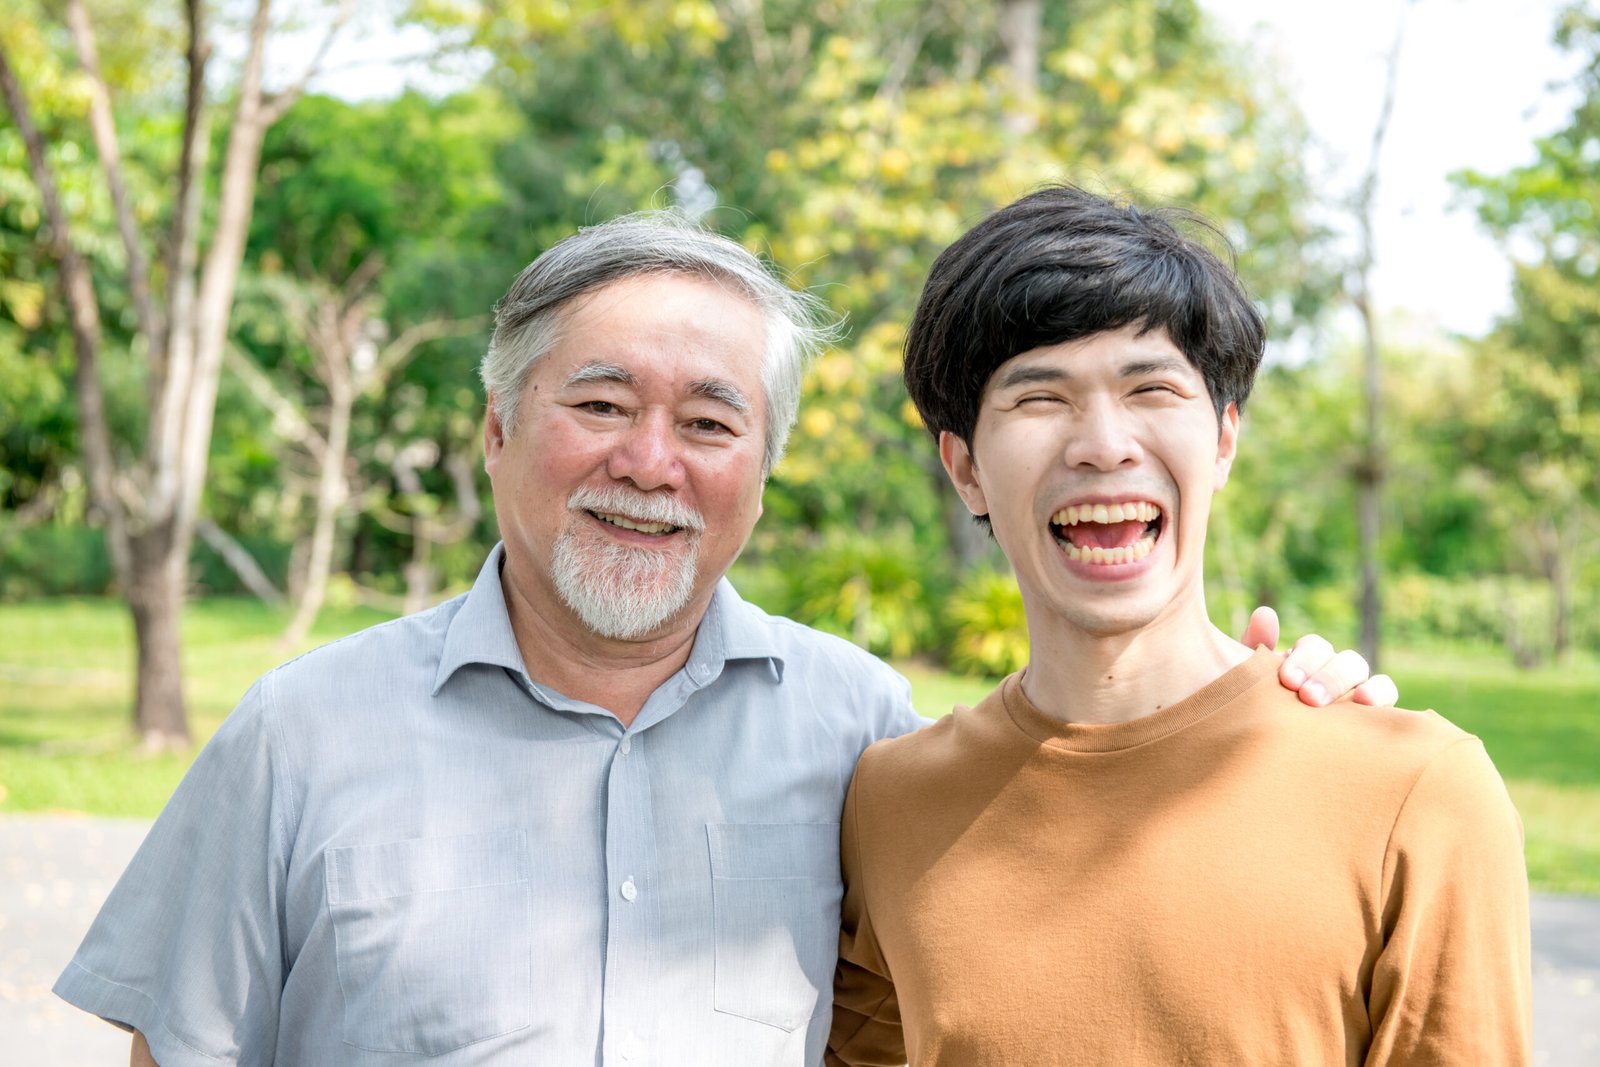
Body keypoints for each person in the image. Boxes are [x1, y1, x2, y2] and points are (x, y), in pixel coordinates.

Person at [56, 213, 1392, 1067]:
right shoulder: (300, 734)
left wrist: (1277, 712)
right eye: (598, 401)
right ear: (497, 431)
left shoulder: (871, 736)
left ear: (762, 467)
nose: (651, 462)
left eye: (709, 422)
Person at [827, 186, 1532, 1066]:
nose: (1103, 442)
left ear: (1225, 438)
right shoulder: (887, 804)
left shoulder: (1418, 793)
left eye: (1151, 386)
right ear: (964, 468)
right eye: (1039, 397)